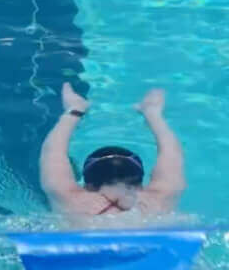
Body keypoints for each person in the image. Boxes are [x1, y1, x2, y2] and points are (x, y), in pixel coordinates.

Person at [40, 83, 186, 222]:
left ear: (87, 186)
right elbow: (171, 154)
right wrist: (153, 113)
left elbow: (53, 154)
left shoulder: (69, 200)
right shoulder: (159, 200)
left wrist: (74, 110)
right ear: (141, 185)